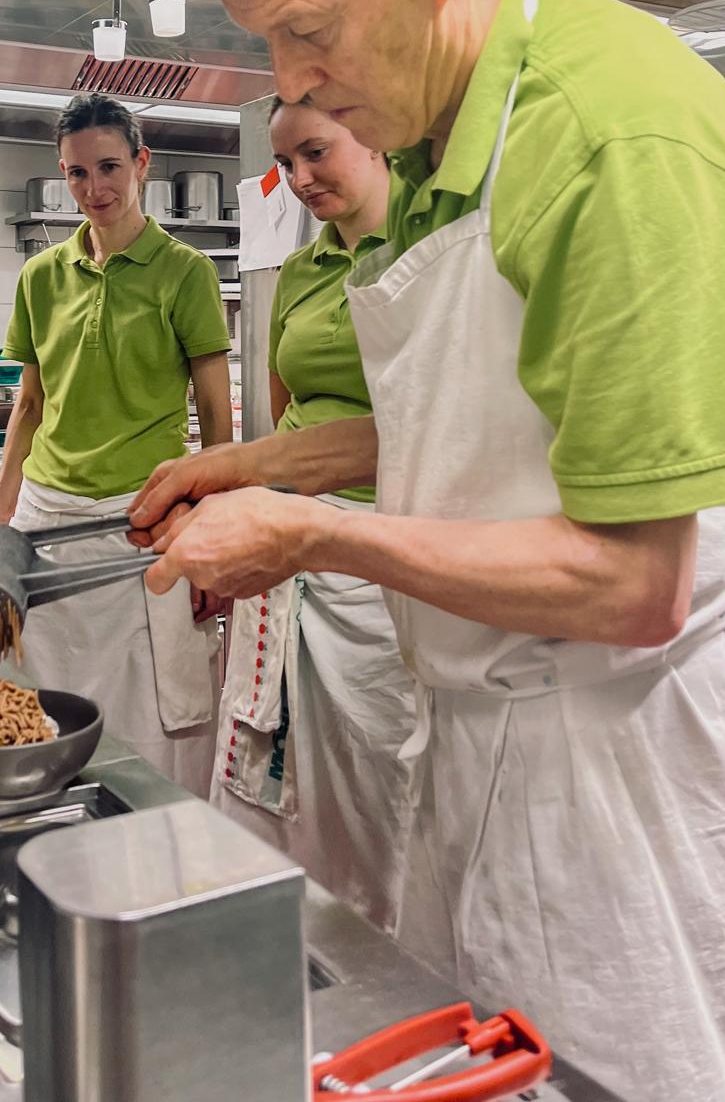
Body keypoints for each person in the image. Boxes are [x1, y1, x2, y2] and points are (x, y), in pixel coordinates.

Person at [128, 0, 725, 1100]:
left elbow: (630, 581)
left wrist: (307, 538)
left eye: (307, 29)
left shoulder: (609, 134)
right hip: (490, 735)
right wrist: (258, 468)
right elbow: (464, 432)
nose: (291, 82)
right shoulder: (438, 147)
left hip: (629, 768)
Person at [0, 92, 231, 796]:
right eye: (75, 173)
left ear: (142, 164)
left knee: (157, 721)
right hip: (48, 524)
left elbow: (216, 416)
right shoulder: (41, 276)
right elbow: (29, 403)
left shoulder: (186, 273)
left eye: (109, 167)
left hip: (142, 525)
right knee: (41, 714)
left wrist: (213, 532)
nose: (93, 189)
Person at [213, 97, 418, 932]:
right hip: (287, 543)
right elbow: (285, 410)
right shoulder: (300, 272)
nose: (299, 180)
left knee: (379, 781)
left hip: (383, 554)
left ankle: (381, 943)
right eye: (286, 164)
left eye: (316, 153)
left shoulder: (424, 247)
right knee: (280, 777)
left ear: (373, 131)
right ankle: (292, 933)